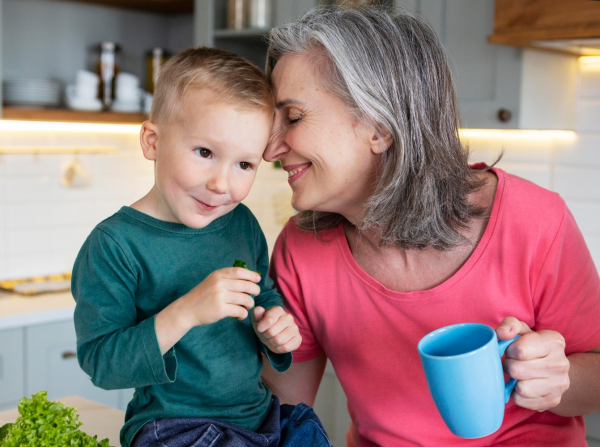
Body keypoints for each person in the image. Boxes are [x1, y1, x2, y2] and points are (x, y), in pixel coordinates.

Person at [261, 6, 600, 446]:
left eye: (293, 116)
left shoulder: (535, 222)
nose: (270, 148)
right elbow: (282, 411)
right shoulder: (301, 250)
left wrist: (560, 379)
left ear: (379, 127)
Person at [71, 47, 331, 447]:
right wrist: (187, 311)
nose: (221, 185)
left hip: (260, 417)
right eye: (205, 153)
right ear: (153, 142)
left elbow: (262, 292)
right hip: (174, 428)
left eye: (244, 165)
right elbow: (102, 364)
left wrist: (276, 325)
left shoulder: (240, 223)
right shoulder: (115, 245)